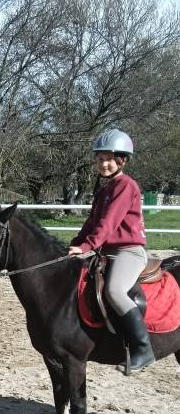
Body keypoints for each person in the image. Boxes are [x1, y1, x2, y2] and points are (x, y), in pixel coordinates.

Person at [68, 128, 154, 375]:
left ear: (121, 160)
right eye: (99, 159)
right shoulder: (105, 189)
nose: (103, 164)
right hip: (106, 252)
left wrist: (87, 246)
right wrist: (75, 244)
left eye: (108, 159)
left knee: (115, 290)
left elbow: (108, 224)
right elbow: (92, 223)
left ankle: (142, 348)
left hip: (128, 251)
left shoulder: (126, 186)